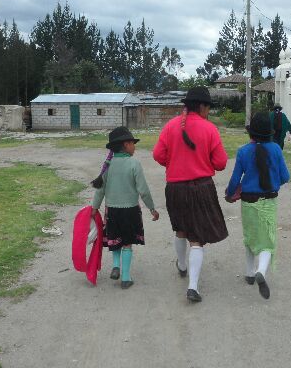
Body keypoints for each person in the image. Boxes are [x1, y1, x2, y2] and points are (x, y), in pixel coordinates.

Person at [153, 86, 228, 303]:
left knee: (181, 229)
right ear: (202, 106)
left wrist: (174, 162)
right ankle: (192, 287)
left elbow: (158, 154)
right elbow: (221, 163)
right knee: (197, 239)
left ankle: (182, 265)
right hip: (201, 187)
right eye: (208, 107)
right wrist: (204, 161)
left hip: (175, 187)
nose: (209, 112)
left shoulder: (170, 126)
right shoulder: (210, 129)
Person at [225, 112, 290, 300]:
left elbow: (235, 179)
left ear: (250, 133)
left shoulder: (243, 151)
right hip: (268, 201)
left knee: (250, 236)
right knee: (267, 241)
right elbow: (285, 177)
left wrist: (230, 195)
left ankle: (250, 273)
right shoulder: (276, 149)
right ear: (269, 133)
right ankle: (262, 270)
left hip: (248, 202)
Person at [91, 126, 159, 289]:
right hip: (130, 211)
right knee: (127, 242)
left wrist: (94, 208)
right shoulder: (134, 164)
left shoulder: (108, 165)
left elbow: (100, 190)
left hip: (112, 210)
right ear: (126, 144)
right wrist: (152, 208)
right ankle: (126, 278)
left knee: (115, 239)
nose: (134, 147)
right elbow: (143, 190)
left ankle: (116, 266)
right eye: (133, 143)